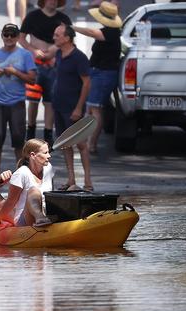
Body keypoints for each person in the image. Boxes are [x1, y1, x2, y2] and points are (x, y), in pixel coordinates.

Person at [0, 23, 37, 174]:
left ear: (18, 37)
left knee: (18, 139)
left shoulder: (25, 55)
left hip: (17, 102)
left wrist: (15, 72)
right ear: (2, 36)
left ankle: (21, 171)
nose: (9, 38)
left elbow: (32, 79)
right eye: (6, 35)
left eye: (13, 35)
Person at [18, 0, 71, 147]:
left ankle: (48, 135)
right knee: (33, 100)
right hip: (35, 64)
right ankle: (31, 132)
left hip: (54, 65)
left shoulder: (63, 19)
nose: (53, 2)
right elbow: (21, 38)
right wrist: (33, 50)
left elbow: (70, 38)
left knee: (50, 101)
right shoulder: (32, 16)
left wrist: (54, 50)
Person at [72, 1, 122, 154]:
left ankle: (92, 144)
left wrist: (72, 28)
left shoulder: (111, 32)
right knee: (92, 108)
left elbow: (92, 33)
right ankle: (87, 141)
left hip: (104, 73)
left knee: (96, 109)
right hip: (99, 72)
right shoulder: (109, 30)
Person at [52, 24, 93, 191]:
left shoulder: (79, 57)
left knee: (81, 144)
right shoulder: (59, 54)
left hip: (72, 107)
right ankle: (71, 179)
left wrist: (79, 108)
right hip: (59, 105)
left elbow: (86, 83)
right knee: (65, 143)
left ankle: (88, 181)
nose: (54, 37)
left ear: (67, 38)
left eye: (57, 35)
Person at [0, 139, 54, 227]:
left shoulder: (49, 168)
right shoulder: (21, 173)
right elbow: (10, 203)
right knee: (34, 190)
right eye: (45, 153)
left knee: (72, 189)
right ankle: (40, 218)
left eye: (48, 152)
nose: (49, 156)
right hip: (24, 220)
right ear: (33, 155)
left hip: (48, 213)